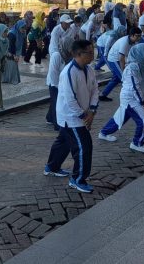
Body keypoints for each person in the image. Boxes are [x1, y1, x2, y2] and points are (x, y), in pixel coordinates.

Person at [43, 40, 99, 193]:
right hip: (71, 117)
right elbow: (69, 99)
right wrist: (84, 116)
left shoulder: (90, 70)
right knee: (83, 147)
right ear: (79, 54)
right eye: (90, 52)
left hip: (83, 114)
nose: (93, 54)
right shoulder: (68, 72)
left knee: (64, 142)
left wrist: (92, 111)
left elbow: (95, 90)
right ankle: (78, 179)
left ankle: (52, 166)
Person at [97, 43, 144, 153]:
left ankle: (104, 132)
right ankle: (137, 143)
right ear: (141, 54)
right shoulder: (131, 68)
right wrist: (143, 102)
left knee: (121, 117)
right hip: (130, 98)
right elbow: (134, 87)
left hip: (136, 97)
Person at [99, 27, 143, 101]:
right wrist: (123, 71)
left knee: (116, 78)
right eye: (137, 36)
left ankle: (103, 95)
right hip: (114, 59)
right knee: (125, 79)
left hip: (118, 58)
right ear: (131, 35)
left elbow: (133, 54)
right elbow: (121, 58)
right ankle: (132, 97)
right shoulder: (125, 42)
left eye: (140, 35)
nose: (139, 37)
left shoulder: (134, 41)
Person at [46, 36, 75, 131]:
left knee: (56, 100)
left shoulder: (69, 55)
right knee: (56, 102)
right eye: (71, 47)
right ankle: (57, 124)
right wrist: (59, 87)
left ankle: (49, 118)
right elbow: (53, 74)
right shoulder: (56, 55)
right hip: (54, 83)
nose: (71, 50)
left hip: (63, 82)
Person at [3, 20, 24, 84]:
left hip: (14, 52)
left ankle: (10, 79)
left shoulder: (20, 33)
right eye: (22, 27)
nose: (24, 29)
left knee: (13, 65)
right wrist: (13, 55)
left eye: (24, 28)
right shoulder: (12, 34)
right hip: (10, 52)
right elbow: (10, 45)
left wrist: (17, 55)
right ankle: (11, 79)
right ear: (18, 27)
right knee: (11, 64)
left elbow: (20, 44)